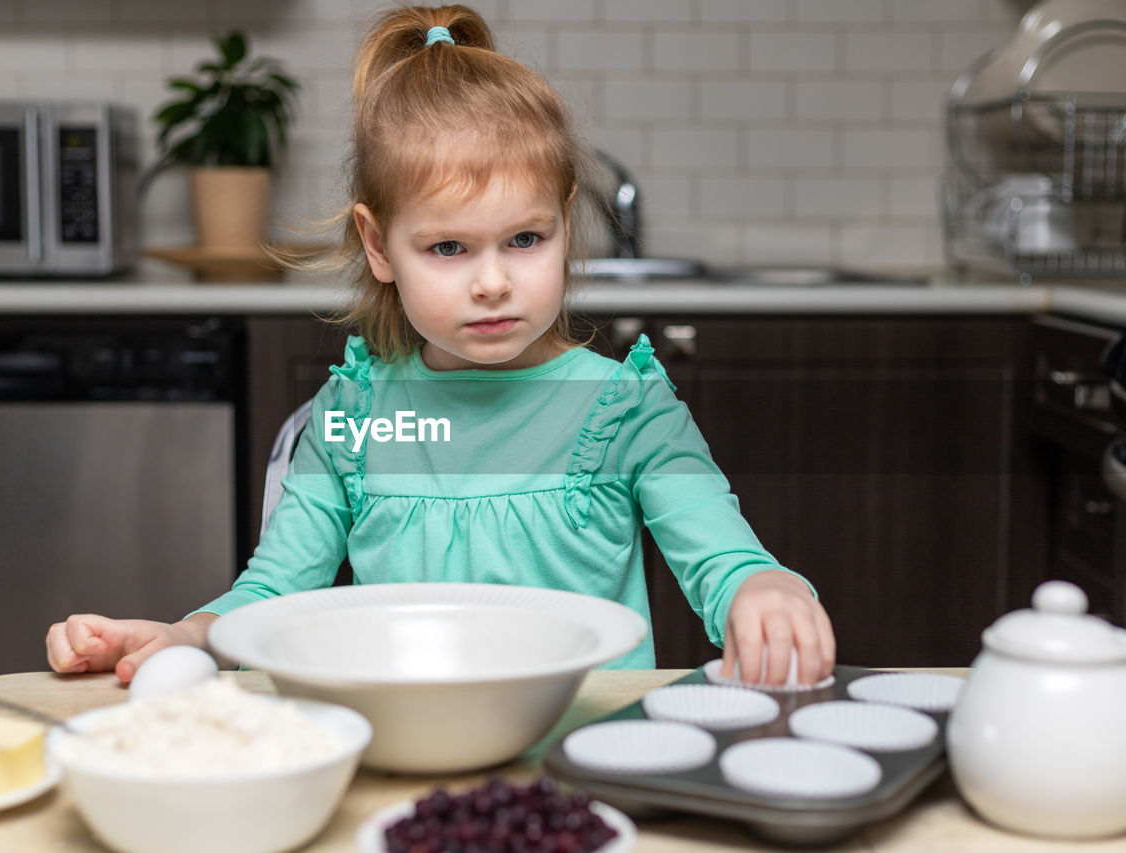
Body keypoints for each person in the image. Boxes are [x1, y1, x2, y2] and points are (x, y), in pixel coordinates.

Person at [46, 4, 835, 687]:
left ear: (566, 223)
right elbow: (274, 592)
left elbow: (722, 559)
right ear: (379, 245)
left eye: (525, 238)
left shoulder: (626, 408)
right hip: (402, 763)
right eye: (448, 248)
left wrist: (764, 588)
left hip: (580, 767)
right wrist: (184, 637)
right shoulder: (354, 420)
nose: (491, 281)